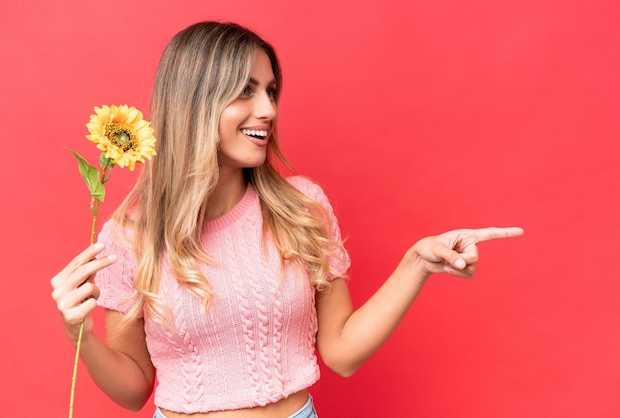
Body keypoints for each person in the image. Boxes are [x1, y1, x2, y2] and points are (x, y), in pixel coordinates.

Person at [50, 21, 523, 418]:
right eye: (245, 92)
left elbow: (340, 352)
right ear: (192, 102)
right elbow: (133, 389)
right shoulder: (130, 235)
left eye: (271, 91)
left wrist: (416, 263)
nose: (269, 110)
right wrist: (79, 335)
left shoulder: (301, 208)